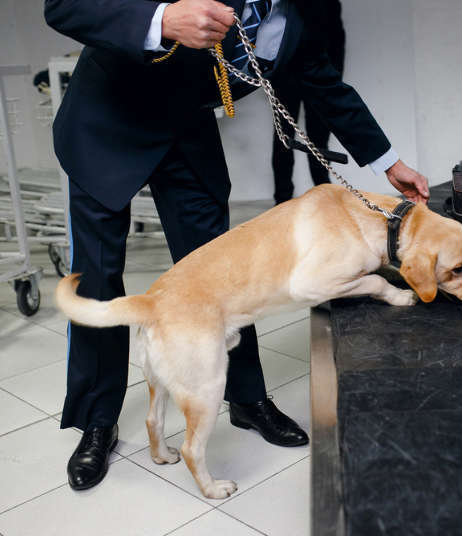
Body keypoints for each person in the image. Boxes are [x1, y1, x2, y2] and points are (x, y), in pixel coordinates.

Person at [44, 0, 430, 491]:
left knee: (231, 275)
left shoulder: (297, 15)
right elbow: (63, 6)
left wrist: (388, 162)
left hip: (186, 134)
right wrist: (160, 20)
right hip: (106, 125)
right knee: (98, 280)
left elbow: (325, 84)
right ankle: (97, 421)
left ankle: (246, 400)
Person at [271, 0, 344, 204]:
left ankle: (324, 192)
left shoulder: (331, 5)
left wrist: (334, 78)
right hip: (285, 78)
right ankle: (282, 199)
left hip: (319, 80)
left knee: (319, 139)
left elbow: (337, 38)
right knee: (282, 138)